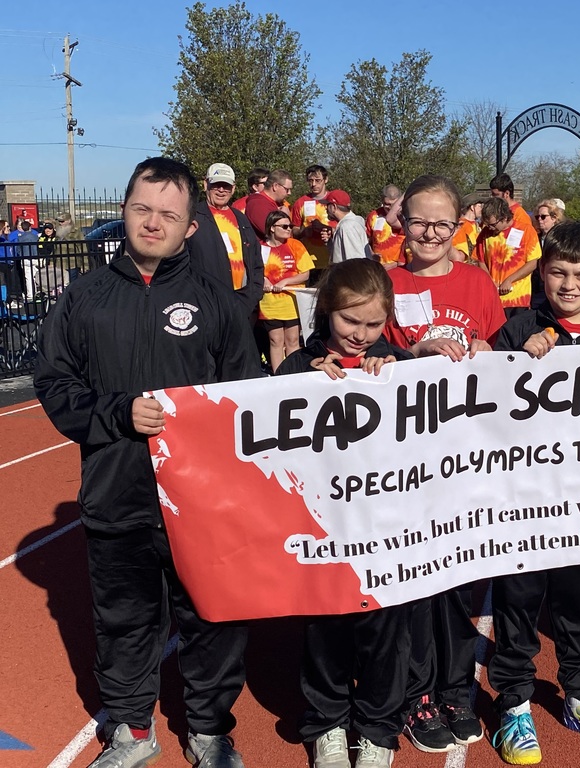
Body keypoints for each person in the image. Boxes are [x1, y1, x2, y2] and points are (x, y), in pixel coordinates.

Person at [33, 157, 260, 768]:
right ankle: (133, 730)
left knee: (212, 620)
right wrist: (115, 414)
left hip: (204, 506)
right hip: (117, 497)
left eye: (168, 214)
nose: (152, 223)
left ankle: (209, 729)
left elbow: (249, 400)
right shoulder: (84, 298)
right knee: (124, 622)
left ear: (191, 226)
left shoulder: (219, 305)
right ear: (125, 209)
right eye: (142, 208)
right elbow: (55, 385)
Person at [488, 221, 580, 766]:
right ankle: (514, 701)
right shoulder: (518, 329)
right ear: (541, 273)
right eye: (557, 272)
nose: (568, 284)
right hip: (522, 499)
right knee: (518, 601)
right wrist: (513, 362)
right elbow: (486, 409)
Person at [277, 259, 414, 768]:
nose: (360, 335)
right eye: (348, 321)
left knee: (385, 634)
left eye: (372, 324)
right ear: (326, 313)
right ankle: (327, 725)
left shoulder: (400, 366)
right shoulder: (296, 369)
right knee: (325, 632)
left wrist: (400, 371)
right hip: (324, 531)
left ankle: (377, 731)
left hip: (387, 531)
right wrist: (299, 387)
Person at [384, 174, 504, 754]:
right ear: (400, 223)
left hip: (466, 464)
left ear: (459, 226)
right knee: (413, 587)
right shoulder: (385, 283)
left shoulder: (479, 283)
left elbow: (506, 365)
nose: (429, 233)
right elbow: (364, 360)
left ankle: (457, 688)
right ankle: (416, 694)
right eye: (419, 221)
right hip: (404, 465)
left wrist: (490, 353)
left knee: (460, 579)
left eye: (441, 222)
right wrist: (411, 354)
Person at [189, 162, 265, 321]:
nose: (222, 190)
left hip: (242, 302)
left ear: (234, 188)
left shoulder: (241, 218)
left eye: (226, 186)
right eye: (216, 185)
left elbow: (256, 259)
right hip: (206, 304)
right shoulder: (192, 217)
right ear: (205, 184)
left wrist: (253, 294)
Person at [259, 210, 314, 371]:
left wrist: (285, 281)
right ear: (272, 228)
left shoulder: (295, 245)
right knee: (275, 341)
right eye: (284, 226)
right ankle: (278, 375)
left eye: (290, 225)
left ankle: (293, 372)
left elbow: (306, 273)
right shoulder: (261, 248)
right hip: (270, 304)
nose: (289, 229)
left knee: (293, 340)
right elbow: (255, 270)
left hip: (292, 301)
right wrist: (264, 280)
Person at [475, 196, 542, 318]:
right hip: (493, 299)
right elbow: (481, 260)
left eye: (493, 224)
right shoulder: (485, 234)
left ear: (505, 217)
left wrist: (509, 280)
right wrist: (490, 281)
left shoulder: (526, 230)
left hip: (517, 300)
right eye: (487, 224)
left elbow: (532, 263)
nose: (489, 228)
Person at [291, 165, 335, 272]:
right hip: (309, 261)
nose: (313, 184)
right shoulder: (300, 203)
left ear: (326, 180)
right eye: (310, 181)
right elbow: (293, 230)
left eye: (318, 180)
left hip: (333, 259)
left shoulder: (334, 200)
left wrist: (331, 232)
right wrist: (304, 231)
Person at [530, 199, 566, 308]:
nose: (540, 220)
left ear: (554, 218)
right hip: (538, 287)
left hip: (556, 285)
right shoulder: (534, 238)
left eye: (543, 217)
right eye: (537, 217)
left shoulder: (562, 238)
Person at [324, 189, 372, 262]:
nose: (325, 208)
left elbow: (354, 261)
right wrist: (329, 242)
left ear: (334, 207)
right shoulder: (350, 224)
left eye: (327, 205)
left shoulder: (347, 227)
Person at [245, 169, 293, 239]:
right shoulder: (257, 204)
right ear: (275, 186)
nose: (289, 193)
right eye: (287, 189)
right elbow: (275, 234)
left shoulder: (277, 203)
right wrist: (285, 217)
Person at [366, 185, 406, 269]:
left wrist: (395, 264)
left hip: (400, 267)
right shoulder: (373, 216)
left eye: (392, 204)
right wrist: (371, 254)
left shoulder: (405, 217)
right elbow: (366, 240)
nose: (388, 207)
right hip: (377, 268)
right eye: (386, 204)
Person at [451, 192, 485, 262]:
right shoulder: (462, 226)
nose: (482, 209)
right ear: (472, 207)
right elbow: (459, 257)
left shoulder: (476, 225)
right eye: (480, 206)